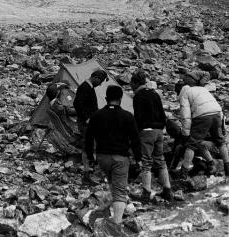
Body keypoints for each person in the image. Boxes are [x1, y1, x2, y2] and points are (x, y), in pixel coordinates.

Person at [85, 85, 142, 224]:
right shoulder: (127, 116)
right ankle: (116, 225)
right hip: (120, 158)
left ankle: (110, 211)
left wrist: (90, 157)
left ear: (106, 98)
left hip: (102, 157)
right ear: (120, 99)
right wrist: (138, 159)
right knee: (120, 192)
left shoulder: (96, 115)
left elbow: (88, 138)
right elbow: (135, 139)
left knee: (112, 182)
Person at [176, 71, 229, 179]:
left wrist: (186, 133)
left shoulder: (185, 92)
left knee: (191, 144)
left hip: (203, 116)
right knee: (220, 142)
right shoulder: (203, 89)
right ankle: (227, 170)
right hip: (217, 113)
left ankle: (183, 174)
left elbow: (185, 116)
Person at [131, 70, 172, 203]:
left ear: (136, 83)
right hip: (159, 130)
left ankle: (146, 193)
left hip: (146, 131)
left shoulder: (138, 96)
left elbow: (138, 117)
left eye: (131, 83)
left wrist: (136, 133)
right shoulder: (154, 93)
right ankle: (168, 190)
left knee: (146, 162)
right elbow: (162, 113)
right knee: (160, 160)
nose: (130, 85)